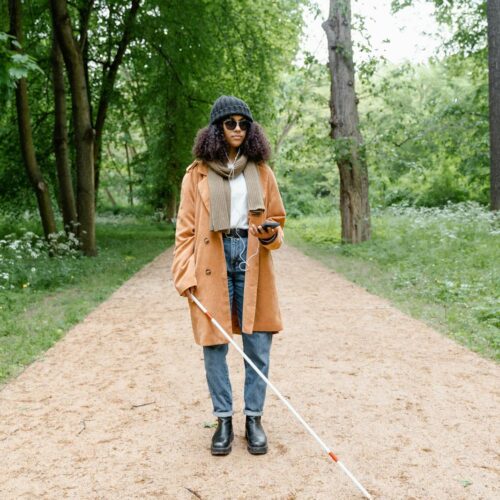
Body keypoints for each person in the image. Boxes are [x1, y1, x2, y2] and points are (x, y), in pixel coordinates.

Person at [171, 95, 286, 456]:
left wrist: (271, 235)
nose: (237, 129)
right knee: (214, 346)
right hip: (212, 261)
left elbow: (278, 220)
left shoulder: (262, 172)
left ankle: (254, 419)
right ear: (216, 129)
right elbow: (185, 230)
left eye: (244, 123)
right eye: (230, 123)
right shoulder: (197, 174)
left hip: (252, 259)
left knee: (258, 345)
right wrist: (183, 275)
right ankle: (223, 419)